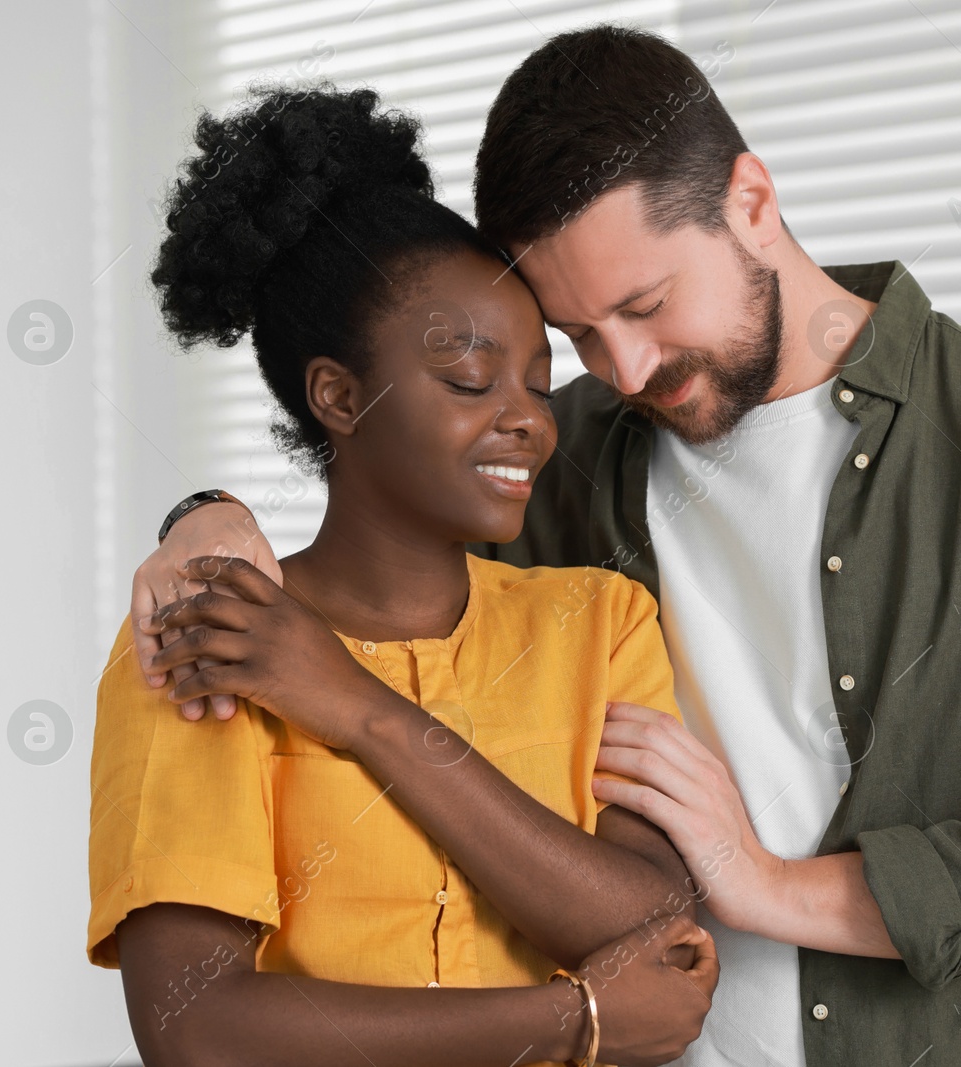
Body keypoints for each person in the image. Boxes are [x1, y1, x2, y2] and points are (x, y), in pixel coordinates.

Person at [135, 25, 961, 1067]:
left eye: (644, 304)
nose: (624, 366)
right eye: (580, 334)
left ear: (750, 201)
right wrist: (206, 510)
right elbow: (382, 498)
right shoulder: (572, 455)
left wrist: (766, 882)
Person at [87, 84, 722, 1067]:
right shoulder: (201, 633)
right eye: (471, 381)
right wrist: (573, 1019)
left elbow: (650, 918)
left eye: (539, 385)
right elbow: (198, 1029)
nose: (526, 418)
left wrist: (359, 707)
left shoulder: (599, 623)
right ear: (339, 395)